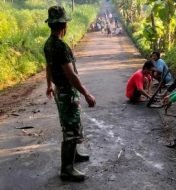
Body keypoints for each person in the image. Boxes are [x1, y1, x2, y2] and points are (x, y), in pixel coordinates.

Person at [44, 6, 96, 181]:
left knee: (71, 124)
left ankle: (75, 154)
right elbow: (71, 74)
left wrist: (49, 84)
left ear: (51, 25)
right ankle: (66, 169)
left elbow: (49, 66)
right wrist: (87, 94)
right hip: (67, 92)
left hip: (60, 91)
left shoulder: (48, 44)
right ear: (64, 25)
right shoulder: (61, 46)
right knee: (71, 129)